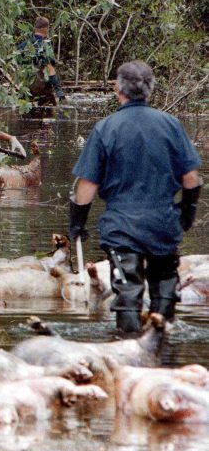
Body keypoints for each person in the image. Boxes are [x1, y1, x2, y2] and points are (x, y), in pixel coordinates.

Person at [69, 60, 201, 333]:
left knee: (128, 291)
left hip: (121, 226)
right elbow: (191, 179)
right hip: (162, 223)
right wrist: (186, 214)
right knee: (164, 288)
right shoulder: (171, 125)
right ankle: (162, 345)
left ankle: (127, 348)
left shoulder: (106, 128)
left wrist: (77, 223)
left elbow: (86, 187)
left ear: (118, 89)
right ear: (150, 90)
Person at [17, 16, 66, 106]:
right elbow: (50, 69)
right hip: (41, 90)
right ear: (45, 29)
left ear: (35, 28)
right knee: (49, 116)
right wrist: (59, 91)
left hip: (25, 90)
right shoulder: (45, 47)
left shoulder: (22, 46)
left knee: (24, 117)